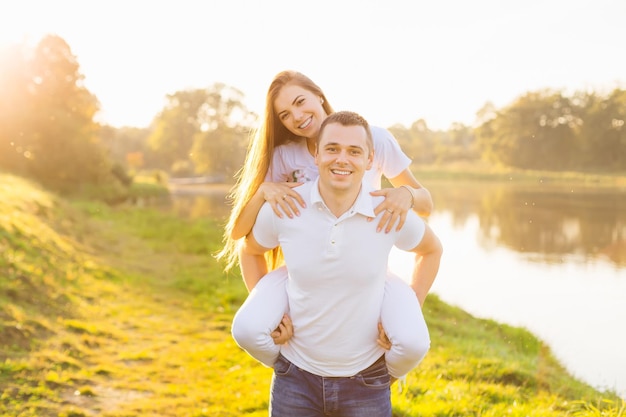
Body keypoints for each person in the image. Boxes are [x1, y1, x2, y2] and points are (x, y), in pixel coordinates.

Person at [218, 70, 436, 378]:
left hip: (364, 261)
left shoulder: (374, 138)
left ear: (319, 95)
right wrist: (263, 192)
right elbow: (240, 233)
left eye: (300, 102)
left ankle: (376, 383)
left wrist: (405, 195)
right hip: (306, 266)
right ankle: (293, 375)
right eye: (285, 114)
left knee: (412, 341)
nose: (297, 116)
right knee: (249, 328)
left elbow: (426, 203)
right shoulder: (284, 156)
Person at [241, 111, 442, 416]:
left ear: (370, 159)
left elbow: (431, 250)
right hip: (295, 378)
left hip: (367, 380)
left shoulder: (388, 210)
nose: (342, 159)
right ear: (317, 153)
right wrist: (273, 314)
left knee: (415, 343)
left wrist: (410, 306)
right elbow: (250, 249)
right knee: (245, 329)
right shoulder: (286, 207)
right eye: (332, 149)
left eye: (354, 151)